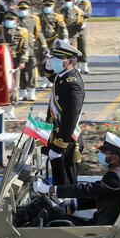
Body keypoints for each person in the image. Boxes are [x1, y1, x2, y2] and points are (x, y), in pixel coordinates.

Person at [33, 132, 120, 226]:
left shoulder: (116, 177)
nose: (101, 154)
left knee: (50, 219)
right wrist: (71, 202)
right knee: (55, 216)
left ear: (115, 158)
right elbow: (103, 196)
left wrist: (50, 189)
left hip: (99, 228)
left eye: (105, 152)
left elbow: (87, 189)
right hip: (101, 223)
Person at [43, 39, 85, 186]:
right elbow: (51, 77)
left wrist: (58, 147)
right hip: (58, 135)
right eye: (54, 57)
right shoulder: (62, 76)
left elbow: (70, 120)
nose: (54, 61)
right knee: (58, 179)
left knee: (65, 183)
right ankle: (60, 206)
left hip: (67, 140)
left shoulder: (72, 84)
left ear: (70, 61)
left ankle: (67, 208)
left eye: (59, 58)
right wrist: (48, 66)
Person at [0, 10, 29, 118]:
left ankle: (11, 109)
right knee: (0, 84)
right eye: (7, 19)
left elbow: (25, 48)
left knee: (14, 85)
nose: (9, 21)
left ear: (16, 20)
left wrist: (23, 61)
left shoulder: (21, 32)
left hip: (15, 60)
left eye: (11, 19)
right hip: (1, 61)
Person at [17, 0, 48, 101]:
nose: (22, 10)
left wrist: (44, 46)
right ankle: (22, 91)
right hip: (19, 50)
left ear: (28, 9)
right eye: (21, 9)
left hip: (31, 49)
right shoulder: (15, 20)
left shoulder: (33, 20)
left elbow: (39, 34)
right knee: (21, 72)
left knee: (31, 72)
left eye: (24, 9)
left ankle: (31, 91)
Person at [38, 0, 68, 88]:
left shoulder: (57, 16)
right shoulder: (38, 17)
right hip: (42, 41)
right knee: (42, 61)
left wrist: (65, 37)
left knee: (54, 62)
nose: (47, 7)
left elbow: (63, 28)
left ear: (53, 6)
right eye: (45, 5)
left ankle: (52, 80)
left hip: (54, 41)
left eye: (49, 6)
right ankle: (44, 80)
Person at [71, 0, 92, 73]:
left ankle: (84, 65)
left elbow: (88, 14)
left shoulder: (85, 3)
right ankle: (77, 65)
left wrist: (80, 11)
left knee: (82, 46)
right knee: (73, 47)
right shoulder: (69, 3)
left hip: (82, 27)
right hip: (72, 28)